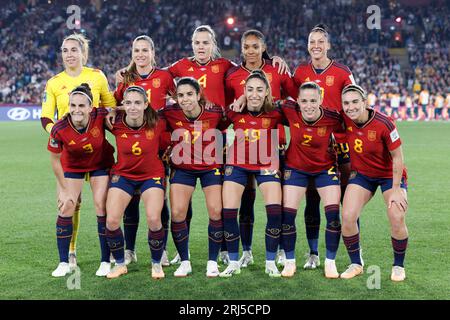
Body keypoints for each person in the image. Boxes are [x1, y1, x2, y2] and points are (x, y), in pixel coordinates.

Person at [115, 25, 289, 265]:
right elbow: (155, 72)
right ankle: (175, 251)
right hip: (183, 140)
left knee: (230, 202)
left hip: (218, 139)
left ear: (213, 45)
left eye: (206, 43)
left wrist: (271, 59)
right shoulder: (180, 67)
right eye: (197, 43)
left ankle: (230, 250)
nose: (201, 47)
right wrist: (129, 69)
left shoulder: (225, 66)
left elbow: (252, 72)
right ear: (192, 44)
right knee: (178, 202)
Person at [41, 33, 116, 270]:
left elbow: (110, 106)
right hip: (69, 153)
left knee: (101, 204)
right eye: (65, 50)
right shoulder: (54, 82)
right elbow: (45, 117)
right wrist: (62, 134)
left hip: (97, 153)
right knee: (69, 203)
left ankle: (110, 255)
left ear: (84, 53)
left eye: (74, 50)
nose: (69, 54)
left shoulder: (97, 76)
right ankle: (70, 253)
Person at [225, 29, 297, 268]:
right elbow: (229, 108)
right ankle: (245, 251)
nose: (251, 51)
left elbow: (297, 98)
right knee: (246, 201)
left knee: (281, 204)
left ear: (264, 48)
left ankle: (278, 252)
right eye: (246, 47)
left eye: (255, 46)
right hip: (245, 149)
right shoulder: (233, 75)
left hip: (275, 146)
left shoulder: (277, 69)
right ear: (242, 49)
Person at [292, 24, 355, 269]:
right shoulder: (300, 72)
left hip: (341, 147)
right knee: (311, 201)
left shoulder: (341, 72)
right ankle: (313, 253)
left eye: (320, 41)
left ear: (328, 45)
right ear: (307, 45)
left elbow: (356, 99)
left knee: (347, 202)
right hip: (312, 148)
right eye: (312, 41)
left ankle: (353, 256)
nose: (316, 45)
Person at [113, 35, 175, 267]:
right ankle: (129, 250)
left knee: (160, 203)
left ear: (152, 52)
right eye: (136, 50)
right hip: (133, 146)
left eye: (144, 50)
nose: (140, 54)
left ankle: (163, 250)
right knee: (131, 201)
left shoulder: (165, 76)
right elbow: (117, 105)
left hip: (158, 148)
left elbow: (177, 102)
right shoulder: (126, 79)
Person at [339, 84, 409, 282]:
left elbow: (398, 157)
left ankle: (398, 266)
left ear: (365, 102)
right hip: (362, 175)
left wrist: (396, 189)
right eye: (346, 103)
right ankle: (356, 264)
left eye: (355, 102)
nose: (350, 107)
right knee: (348, 215)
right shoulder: (344, 118)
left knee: (396, 215)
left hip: (390, 175)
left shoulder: (384, 123)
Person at [160, 77, 228, 277]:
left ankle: (212, 262)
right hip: (184, 168)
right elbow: (146, 114)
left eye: (190, 94)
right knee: (178, 213)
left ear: (199, 95)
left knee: (216, 210)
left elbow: (232, 116)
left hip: (210, 167)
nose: (185, 99)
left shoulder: (214, 112)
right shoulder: (170, 113)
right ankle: (185, 261)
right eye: (180, 95)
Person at [220, 70, 284, 278]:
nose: (254, 94)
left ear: (267, 92)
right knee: (228, 212)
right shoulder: (234, 111)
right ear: (244, 92)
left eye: (259, 89)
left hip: (266, 164)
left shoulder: (276, 112)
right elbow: (211, 122)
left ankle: (270, 262)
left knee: (275, 212)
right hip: (237, 163)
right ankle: (233, 261)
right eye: (249, 90)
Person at [48, 84, 114, 277]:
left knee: (101, 206)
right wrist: (64, 189)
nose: (77, 110)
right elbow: (54, 161)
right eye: (73, 105)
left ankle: (105, 260)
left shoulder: (101, 115)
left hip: (100, 164)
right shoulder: (59, 128)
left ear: (90, 106)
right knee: (66, 205)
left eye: (81, 105)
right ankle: (63, 262)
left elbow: (120, 121)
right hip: (72, 167)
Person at [280, 82, 343, 278]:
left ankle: (330, 262)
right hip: (296, 169)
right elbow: (262, 101)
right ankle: (290, 262)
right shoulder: (289, 109)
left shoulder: (333, 117)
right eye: (304, 101)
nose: (308, 105)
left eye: (313, 101)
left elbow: (358, 123)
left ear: (321, 100)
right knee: (288, 215)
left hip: (325, 169)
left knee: (333, 214)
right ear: (297, 100)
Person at [105, 86, 168, 280]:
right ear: (123, 104)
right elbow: (91, 112)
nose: (133, 107)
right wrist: (113, 110)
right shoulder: (114, 123)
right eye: (129, 103)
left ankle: (156, 263)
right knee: (112, 221)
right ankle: (121, 264)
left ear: (146, 104)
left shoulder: (158, 122)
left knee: (154, 219)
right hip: (124, 175)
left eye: (137, 103)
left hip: (152, 176)